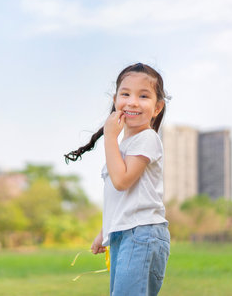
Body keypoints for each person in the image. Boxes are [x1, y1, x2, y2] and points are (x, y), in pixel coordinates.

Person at [65, 63, 170, 296]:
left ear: (157, 107)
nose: (132, 101)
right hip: (126, 233)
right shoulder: (125, 145)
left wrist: (109, 137)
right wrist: (107, 231)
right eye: (125, 94)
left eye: (143, 96)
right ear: (115, 100)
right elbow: (122, 197)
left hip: (142, 234)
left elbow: (122, 181)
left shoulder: (147, 139)